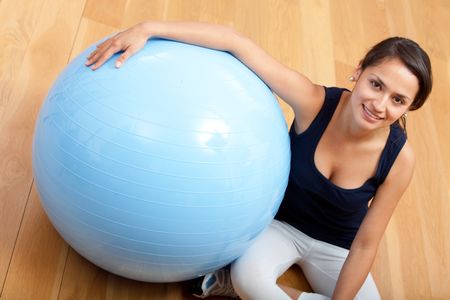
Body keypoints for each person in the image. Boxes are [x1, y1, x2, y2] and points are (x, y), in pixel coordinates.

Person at [85, 21, 432, 300]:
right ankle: (231, 284)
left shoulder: (400, 160)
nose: (380, 105)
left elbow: (366, 243)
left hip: (336, 246)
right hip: (276, 226)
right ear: (358, 71)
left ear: (409, 108)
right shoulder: (313, 102)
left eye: (398, 100)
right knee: (248, 278)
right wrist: (149, 28)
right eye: (376, 84)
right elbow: (236, 42)